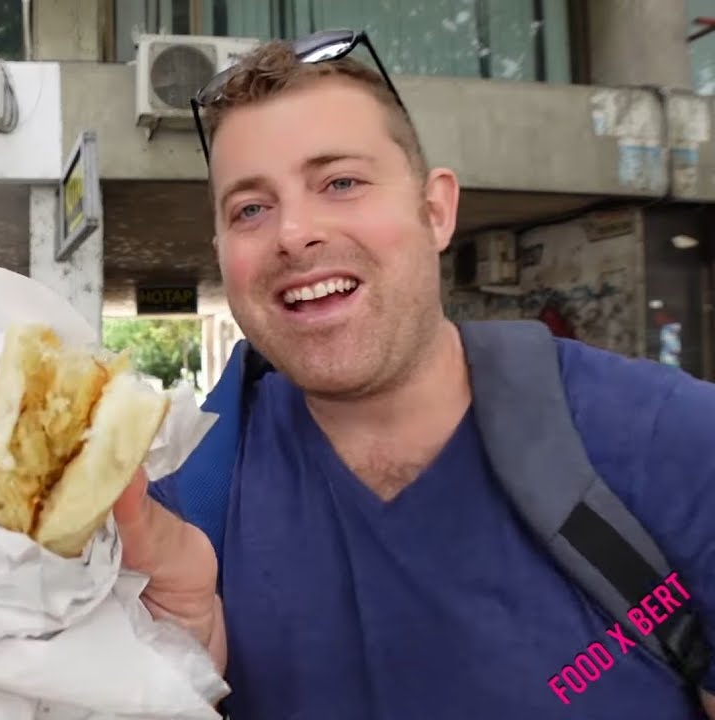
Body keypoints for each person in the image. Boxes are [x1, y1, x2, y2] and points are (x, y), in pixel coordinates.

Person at [112, 35, 715, 719]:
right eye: (250, 208)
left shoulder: (673, 442)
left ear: (436, 211)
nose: (293, 233)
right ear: (224, 256)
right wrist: (175, 679)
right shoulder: (179, 512)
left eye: (341, 182)